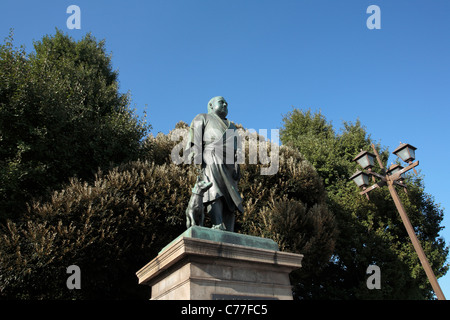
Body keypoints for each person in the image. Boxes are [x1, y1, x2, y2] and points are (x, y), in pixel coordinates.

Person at [185, 96, 243, 232]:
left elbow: (238, 149)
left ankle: (229, 229)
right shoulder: (202, 117)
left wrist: (237, 165)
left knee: (231, 196)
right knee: (214, 190)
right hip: (211, 156)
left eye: (226, 103)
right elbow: (195, 138)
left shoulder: (232, 127)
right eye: (221, 102)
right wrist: (196, 154)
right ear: (211, 105)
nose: (225, 104)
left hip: (229, 162)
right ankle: (217, 223)